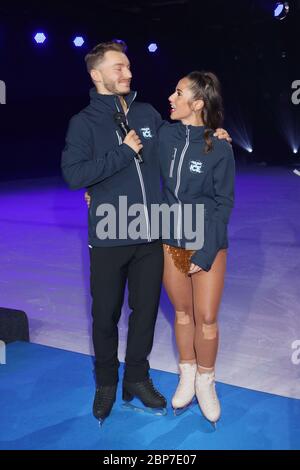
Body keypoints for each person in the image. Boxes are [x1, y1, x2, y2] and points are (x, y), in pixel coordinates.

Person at [64, 40, 231, 424]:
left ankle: (137, 378)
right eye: (118, 68)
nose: (128, 73)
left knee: (145, 314)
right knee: (105, 315)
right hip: (109, 233)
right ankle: (106, 382)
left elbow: (182, 143)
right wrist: (121, 153)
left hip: (152, 234)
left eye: (128, 66)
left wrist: (214, 133)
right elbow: (74, 175)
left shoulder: (147, 113)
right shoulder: (83, 123)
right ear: (97, 75)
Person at [160, 71, 235, 426]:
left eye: (178, 93)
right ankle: (187, 374)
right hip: (172, 240)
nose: (171, 98)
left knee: (206, 318)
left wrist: (203, 254)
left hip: (207, 243)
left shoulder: (218, 146)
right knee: (182, 314)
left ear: (198, 103)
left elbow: (224, 204)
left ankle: (206, 380)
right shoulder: (164, 135)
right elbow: (129, 162)